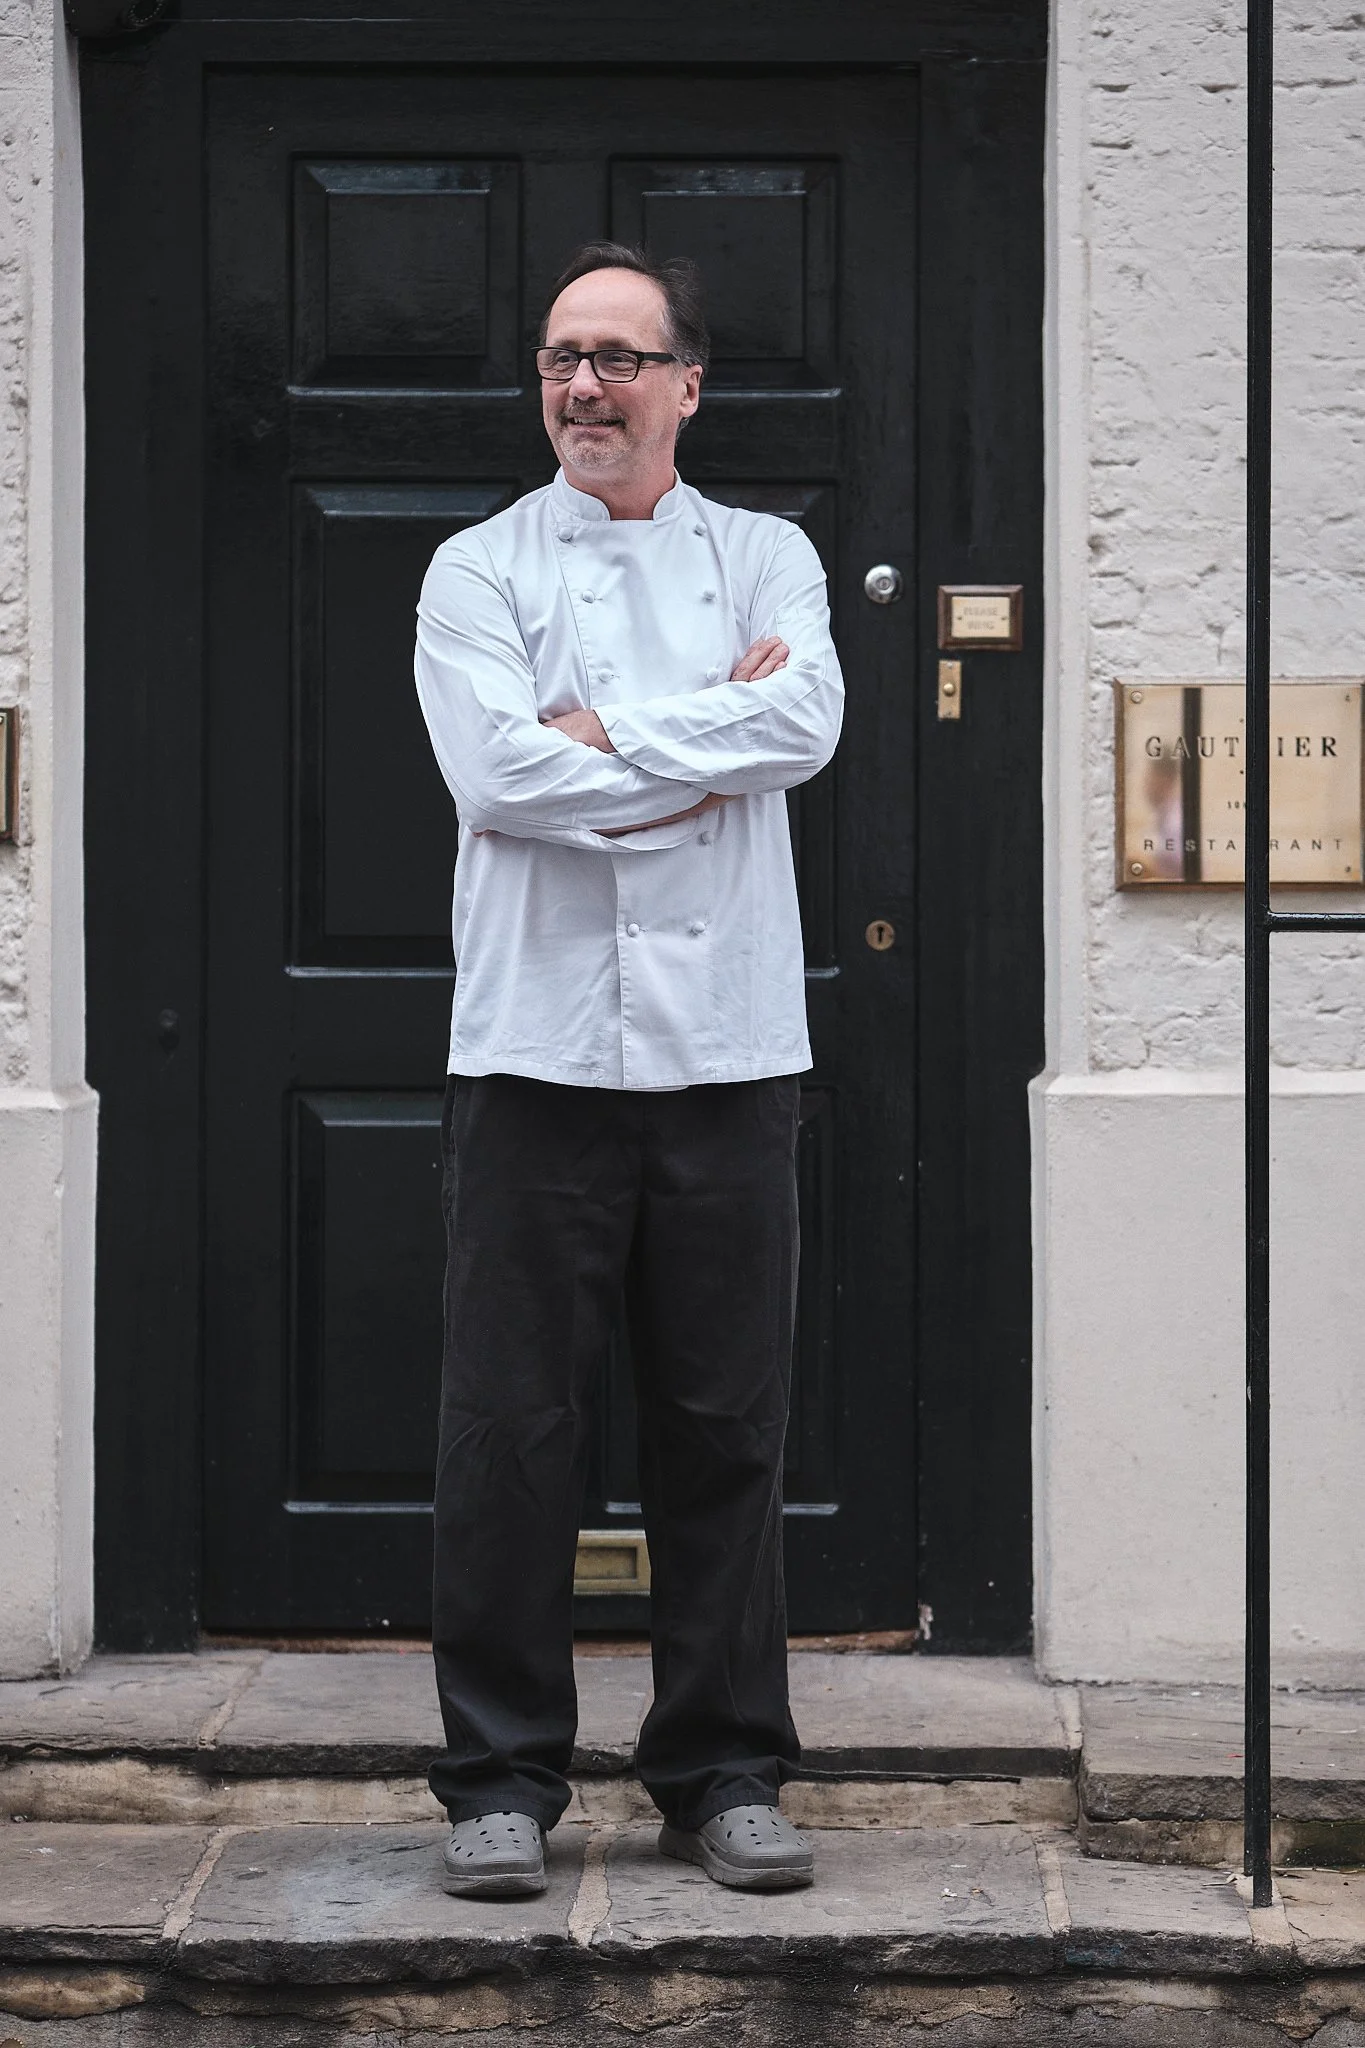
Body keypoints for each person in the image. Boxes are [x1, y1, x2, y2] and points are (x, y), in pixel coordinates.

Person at [414, 241, 844, 1899]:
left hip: (731, 1052)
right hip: (529, 1051)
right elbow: (500, 779)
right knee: (509, 1430)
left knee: (723, 1422)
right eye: (557, 359)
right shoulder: (476, 569)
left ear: (686, 383)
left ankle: (724, 1767)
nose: (581, 386)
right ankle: (499, 1782)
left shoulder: (770, 556)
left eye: (614, 356)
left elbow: (801, 729)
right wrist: (687, 747)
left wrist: (601, 735)